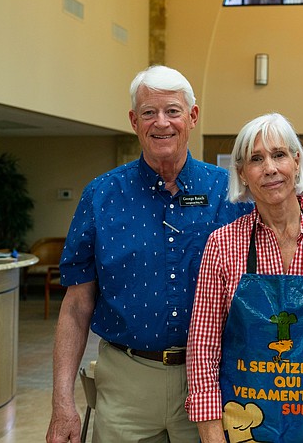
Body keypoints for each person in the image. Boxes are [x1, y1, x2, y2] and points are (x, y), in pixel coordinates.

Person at [46, 65, 253, 443]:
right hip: (126, 385)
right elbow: (76, 305)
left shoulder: (231, 194)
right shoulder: (101, 196)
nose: (162, 123)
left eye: (173, 111)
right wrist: (62, 403)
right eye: (148, 112)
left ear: (192, 116)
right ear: (133, 120)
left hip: (211, 382)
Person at [185, 113, 303, 443]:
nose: (270, 168)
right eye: (256, 159)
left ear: (297, 162)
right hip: (244, 428)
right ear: (242, 174)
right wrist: (213, 436)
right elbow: (203, 349)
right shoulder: (222, 244)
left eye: (279, 155)